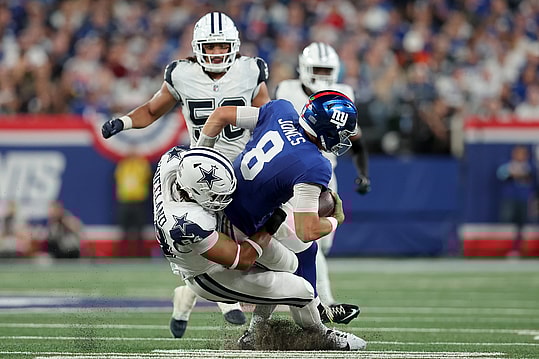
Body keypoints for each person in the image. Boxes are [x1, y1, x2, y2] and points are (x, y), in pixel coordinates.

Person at [101, 12, 271, 330]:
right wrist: (123, 121)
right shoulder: (181, 74)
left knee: (248, 248)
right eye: (212, 46)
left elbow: (268, 116)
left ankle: (186, 296)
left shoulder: (250, 70)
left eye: (223, 46)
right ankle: (224, 298)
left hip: (244, 167)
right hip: (201, 172)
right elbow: (152, 110)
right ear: (197, 47)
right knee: (208, 241)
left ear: (234, 46)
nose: (218, 53)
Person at [153, 145, 366, 351]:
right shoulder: (188, 222)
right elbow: (243, 258)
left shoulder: (173, 162)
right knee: (303, 290)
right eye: (218, 198)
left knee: (290, 262)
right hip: (208, 272)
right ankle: (321, 335)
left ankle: (255, 333)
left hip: (217, 235)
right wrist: (272, 224)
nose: (224, 201)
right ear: (192, 193)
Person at [196, 90, 364, 339]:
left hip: (229, 202)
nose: (342, 140)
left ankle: (260, 329)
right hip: (242, 224)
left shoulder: (281, 110)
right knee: (291, 270)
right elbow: (307, 230)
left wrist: (200, 157)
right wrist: (335, 220)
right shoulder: (316, 164)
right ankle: (316, 332)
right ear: (327, 129)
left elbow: (219, 115)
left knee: (307, 251)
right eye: (341, 133)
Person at [275, 42, 370, 308]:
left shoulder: (344, 94)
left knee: (321, 246)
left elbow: (356, 139)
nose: (321, 75)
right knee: (307, 240)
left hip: (324, 174)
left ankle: (292, 293)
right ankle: (324, 302)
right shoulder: (286, 90)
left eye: (326, 70)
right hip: (291, 172)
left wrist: (364, 173)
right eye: (316, 69)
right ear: (303, 68)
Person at [496, 145, 538, 257]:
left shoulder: (530, 167)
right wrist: (512, 173)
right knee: (507, 220)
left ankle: (517, 249)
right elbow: (500, 174)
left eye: (523, 153)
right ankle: (505, 248)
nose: (520, 156)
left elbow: (533, 183)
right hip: (510, 199)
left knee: (522, 224)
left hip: (524, 199)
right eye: (518, 153)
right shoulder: (507, 166)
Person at [114, 148, 152, 257]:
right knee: (124, 231)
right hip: (125, 202)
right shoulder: (123, 165)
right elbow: (118, 178)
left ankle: (140, 254)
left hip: (138, 202)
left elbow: (146, 176)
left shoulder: (142, 164)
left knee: (140, 231)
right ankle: (123, 255)